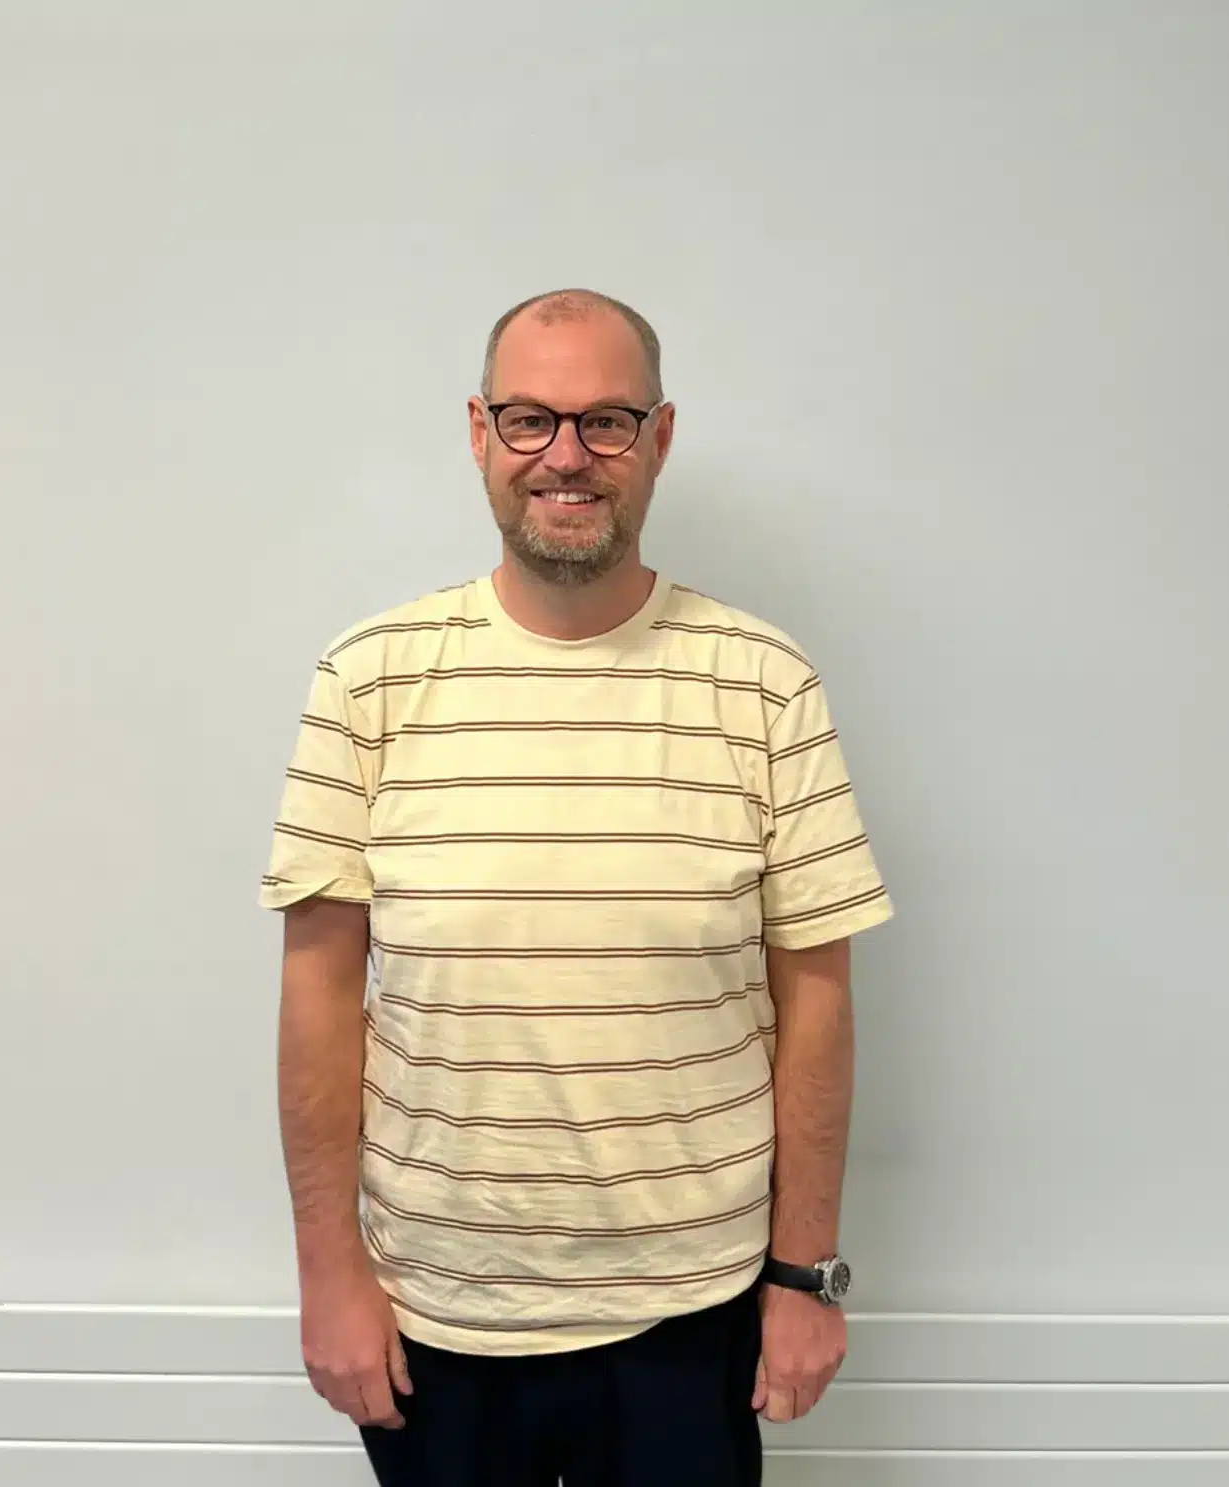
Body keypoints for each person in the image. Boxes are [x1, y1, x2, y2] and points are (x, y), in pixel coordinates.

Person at [260, 288, 894, 1486]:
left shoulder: (763, 682)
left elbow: (816, 997)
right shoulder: (369, 678)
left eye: (605, 420)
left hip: (691, 1313)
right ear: (478, 432)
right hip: (435, 1314)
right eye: (529, 419)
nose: (565, 455)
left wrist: (803, 1275)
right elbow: (319, 1000)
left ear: (659, 438)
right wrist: (326, 1271)